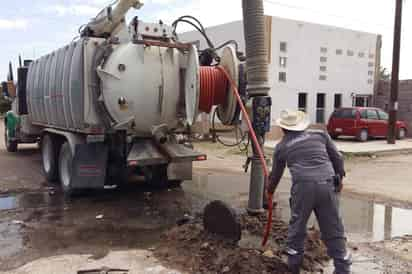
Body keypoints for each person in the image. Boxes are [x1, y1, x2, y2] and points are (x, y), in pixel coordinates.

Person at [267, 110, 351, 274]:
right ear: (302, 126)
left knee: (297, 227)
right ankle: (343, 267)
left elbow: (275, 175)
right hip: (328, 184)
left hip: (304, 187)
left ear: (283, 129)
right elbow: (338, 158)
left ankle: (293, 265)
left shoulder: (281, 146)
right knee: (333, 226)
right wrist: (339, 178)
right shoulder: (320, 135)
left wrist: (269, 192)